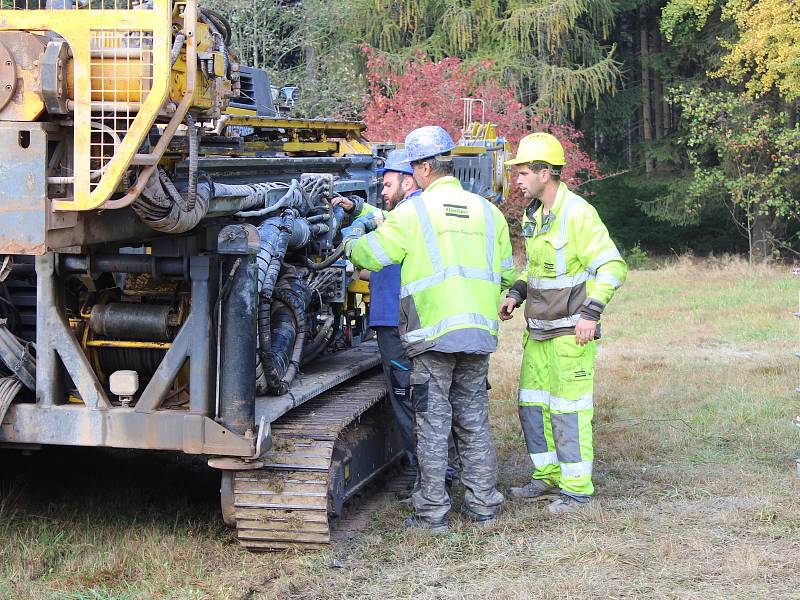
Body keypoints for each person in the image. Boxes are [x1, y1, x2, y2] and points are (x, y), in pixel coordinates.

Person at [342, 125, 516, 533]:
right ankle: (483, 505)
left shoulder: (413, 212)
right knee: (473, 419)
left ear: (422, 168)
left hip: (432, 336)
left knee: (432, 421)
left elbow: (374, 253)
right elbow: (506, 273)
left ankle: (432, 513)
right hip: (477, 334)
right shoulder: (489, 212)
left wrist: (351, 241)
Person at [498, 132, 628, 514]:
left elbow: (612, 266)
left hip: (571, 333)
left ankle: (576, 488)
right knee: (533, 406)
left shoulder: (578, 213)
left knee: (569, 410)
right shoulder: (534, 215)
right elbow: (537, 269)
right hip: (538, 331)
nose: (517, 180)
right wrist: (516, 293)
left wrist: (591, 314)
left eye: (522, 173)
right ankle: (547, 475)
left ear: (544, 174)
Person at [333, 149, 420, 471]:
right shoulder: (415, 211)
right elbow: (383, 216)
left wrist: (353, 235)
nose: (382, 192)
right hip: (404, 319)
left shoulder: (408, 216)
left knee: (407, 400)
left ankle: (426, 478)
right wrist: (355, 206)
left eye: (386, 185)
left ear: (407, 182)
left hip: (396, 321)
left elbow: (371, 244)